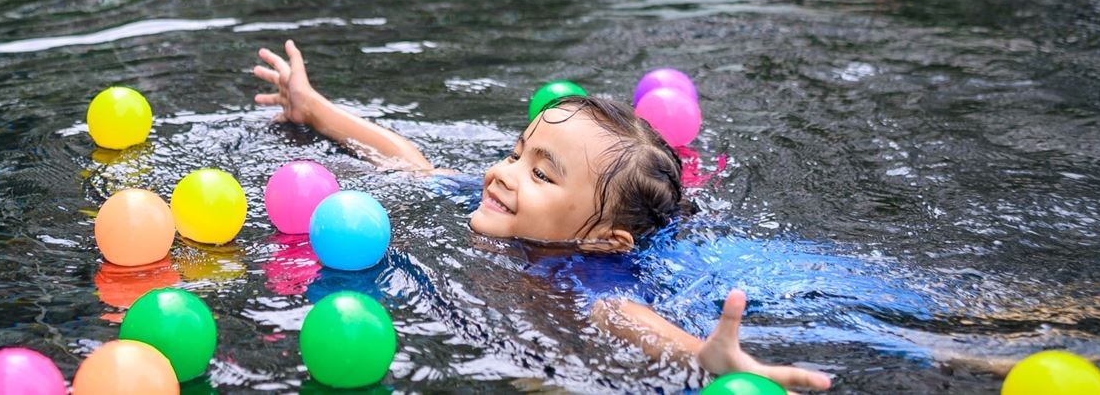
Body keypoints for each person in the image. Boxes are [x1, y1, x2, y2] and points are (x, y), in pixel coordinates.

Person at [252, 40, 834, 391]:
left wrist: (699, 356)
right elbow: (413, 166)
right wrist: (316, 110)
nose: (504, 173)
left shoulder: (590, 275)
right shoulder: (502, 205)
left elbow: (621, 317)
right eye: (515, 152)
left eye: (541, 173)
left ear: (606, 239)